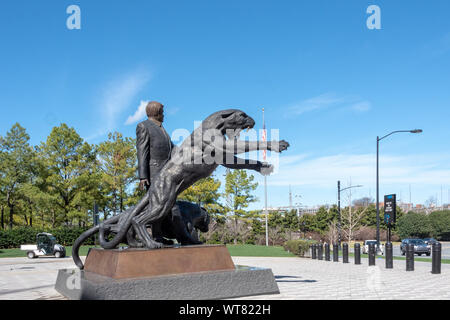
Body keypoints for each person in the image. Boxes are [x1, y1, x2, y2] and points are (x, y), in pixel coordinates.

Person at [136, 101, 201, 245]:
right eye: (163, 112)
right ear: (157, 113)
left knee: (162, 208)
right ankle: (183, 238)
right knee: (171, 207)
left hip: (166, 172)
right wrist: (143, 176)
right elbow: (142, 152)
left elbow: (173, 150)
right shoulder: (144, 126)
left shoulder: (162, 129)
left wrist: (190, 152)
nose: (164, 115)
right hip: (154, 174)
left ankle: (158, 237)